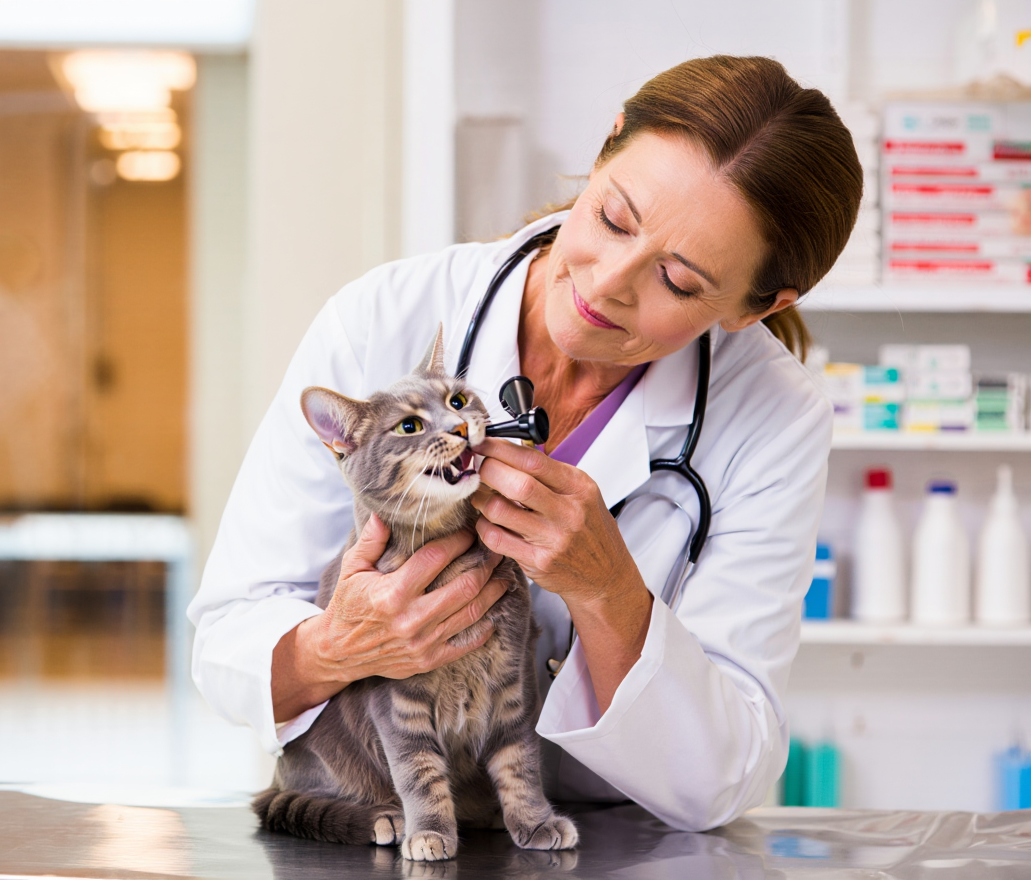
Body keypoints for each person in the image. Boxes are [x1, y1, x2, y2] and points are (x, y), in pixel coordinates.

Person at [188, 55, 862, 832]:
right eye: (613, 217)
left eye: (678, 281)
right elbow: (230, 636)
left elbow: (722, 775)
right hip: (395, 819)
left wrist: (610, 593)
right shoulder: (386, 317)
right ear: (607, 144)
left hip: (611, 844)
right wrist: (340, 647)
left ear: (756, 306)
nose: (610, 282)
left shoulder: (775, 416)